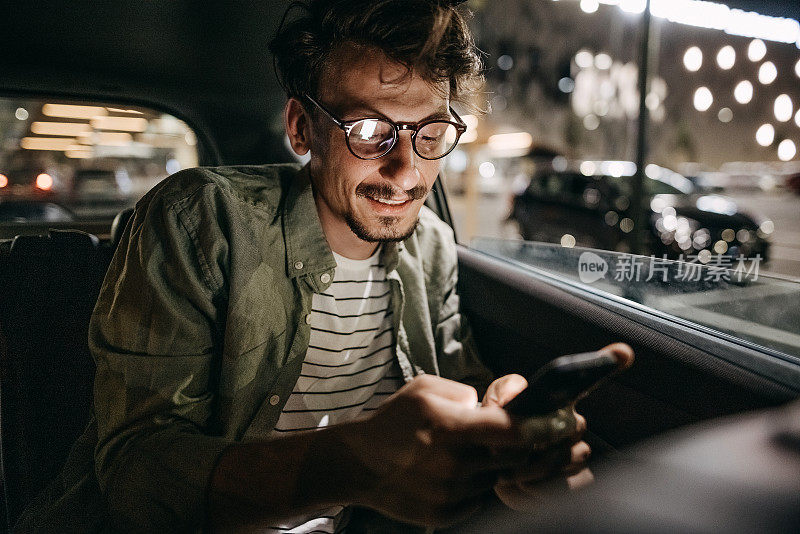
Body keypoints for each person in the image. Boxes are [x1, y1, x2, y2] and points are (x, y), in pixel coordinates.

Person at [17, 1, 602, 532]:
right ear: (301, 127)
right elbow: (138, 475)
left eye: (431, 132)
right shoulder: (201, 220)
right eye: (369, 131)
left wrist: (507, 449)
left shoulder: (432, 246)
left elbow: (462, 386)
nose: (406, 170)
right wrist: (353, 465)